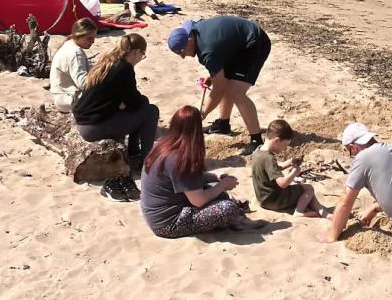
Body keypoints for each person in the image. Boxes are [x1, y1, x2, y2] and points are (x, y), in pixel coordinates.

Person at [140, 106, 265, 237]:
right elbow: (198, 201)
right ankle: (237, 220)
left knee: (215, 192)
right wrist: (222, 185)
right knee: (227, 208)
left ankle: (238, 219)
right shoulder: (181, 159)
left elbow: (185, 180)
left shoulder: (163, 146)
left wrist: (215, 177)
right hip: (168, 223)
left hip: (156, 214)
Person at [167, 16, 270, 153]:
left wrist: (202, 114)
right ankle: (223, 124)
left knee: (236, 92)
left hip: (254, 42)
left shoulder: (208, 52)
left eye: (181, 51)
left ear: (189, 40)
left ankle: (256, 140)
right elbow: (220, 56)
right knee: (226, 80)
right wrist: (214, 76)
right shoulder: (192, 29)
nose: (182, 56)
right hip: (238, 44)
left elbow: (218, 90)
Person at [74, 33, 160, 179]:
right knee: (150, 111)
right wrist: (135, 102)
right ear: (136, 52)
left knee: (141, 108)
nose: (140, 59)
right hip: (93, 127)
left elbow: (126, 99)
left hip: (83, 121)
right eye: (142, 55)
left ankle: (133, 153)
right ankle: (148, 161)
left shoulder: (107, 62)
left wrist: (126, 104)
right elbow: (133, 103)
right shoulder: (124, 69)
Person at [251, 119, 328, 217]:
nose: (285, 149)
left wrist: (290, 162)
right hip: (274, 199)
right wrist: (295, 172)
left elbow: (274, 169)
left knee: (304, 191)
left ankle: (322, 212)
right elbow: (283, 183)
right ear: (276, 140)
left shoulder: (258, 151)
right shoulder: (269, 158)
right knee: (308, 189)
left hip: (263, 198)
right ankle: (299, 212)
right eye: (284, 145)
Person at [50, 18, 97, 112]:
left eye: (94, 38)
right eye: (89, 38)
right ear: (77, 36)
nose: (93, 41)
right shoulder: (75, 53)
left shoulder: (68, 45)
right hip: (70, 99)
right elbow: (83, 83)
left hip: (61, 97)